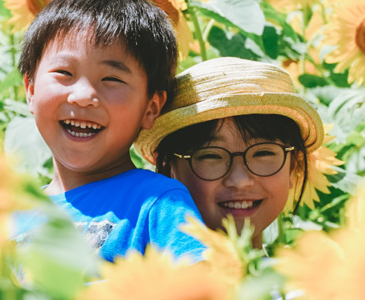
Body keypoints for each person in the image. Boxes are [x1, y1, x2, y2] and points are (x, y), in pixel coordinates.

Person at [15, 0, 207, 262]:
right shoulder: (7, 219)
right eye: (64, 73)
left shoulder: (157, 204)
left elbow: (200, 295)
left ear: (151, 108)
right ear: (30, 89)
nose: (83, 96)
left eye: (111, 79)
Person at [135, 57, 324, 250]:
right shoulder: (149, 277)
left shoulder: (303, 277)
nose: (240, 180)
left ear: (292, 166)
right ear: (168, 168)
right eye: (211, 156)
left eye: (262, 153)